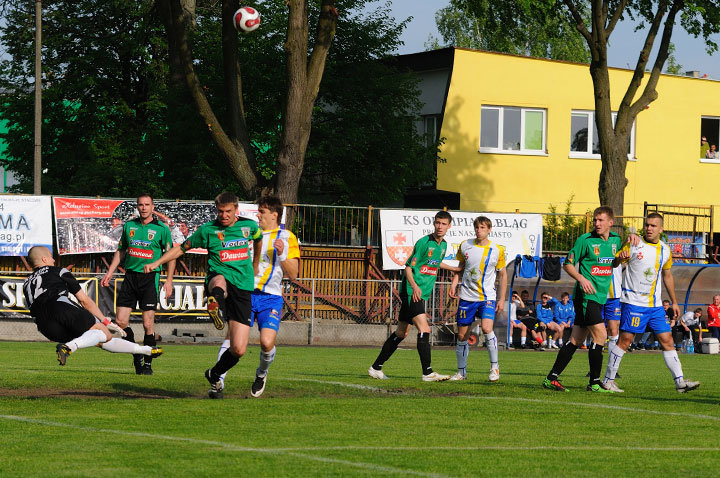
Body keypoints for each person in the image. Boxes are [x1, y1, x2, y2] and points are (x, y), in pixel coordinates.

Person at [144, 191, 262, 399]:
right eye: (220, 211)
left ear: (236, 210)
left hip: (244, 287)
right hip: (219, 277)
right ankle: (215, 303)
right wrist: (156, 263)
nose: (223, 215)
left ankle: (214, 374)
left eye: (228, 212)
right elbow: (182, 249)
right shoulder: (208, 230)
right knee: (219, 282)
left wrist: (255, 264)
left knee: (239, 348)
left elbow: (258, 239)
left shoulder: (249, 226)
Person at [602, 213, 700, 393]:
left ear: (661, 229)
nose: (649, 228)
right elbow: (614, 263)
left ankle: (679, 382)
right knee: (625, 340)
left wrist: (675, 302)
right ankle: (608, 381)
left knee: (667, 340)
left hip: (654, 306)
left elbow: (667, 275)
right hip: (633, 302)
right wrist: (620, 258)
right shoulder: (633, 243)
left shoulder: (665, 250)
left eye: (653, 226)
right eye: (647, 225)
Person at [215, 196, 300, 397]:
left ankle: (261, 373)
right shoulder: (248, 233)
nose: (258, 215)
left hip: (270, 298)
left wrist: (281, 254)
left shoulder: (287, 237)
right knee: (232, 337)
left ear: (274, 215)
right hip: (244, 294)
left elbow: (294, 274)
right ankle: (218, 379)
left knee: (266, 342)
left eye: (262, 212)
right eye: (258, 211)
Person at [23, 246, 163, 366]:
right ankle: (68, 347)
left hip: (44, 325)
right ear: (44, 259)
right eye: (51, 257)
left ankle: (144, 350)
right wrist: (104, 320)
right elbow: (84, 300)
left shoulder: (26, 283)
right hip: (59, 306)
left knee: (99, 339)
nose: (53, 260)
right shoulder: (59, 271)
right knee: (103, 333)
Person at [368, 211, 458, 382]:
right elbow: (408, 268)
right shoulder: (424, 243)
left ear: (449, 226)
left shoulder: (444, 246)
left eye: (443, 224)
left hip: (421, 293)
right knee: (425, 329)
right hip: (412, 291)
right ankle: (428, 372)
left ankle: (375, 368)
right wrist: (415, 286)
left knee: (402, 332)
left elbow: (435, 263)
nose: (440, 226)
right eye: (437, 223)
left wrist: (453, 269)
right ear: (434, 223)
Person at [543, 206, 623, 393]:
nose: (597, 223)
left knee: (576, 340)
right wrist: (582, 278)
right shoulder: (585, 240)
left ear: (610, 222)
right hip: (586, 296)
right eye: (595, 220)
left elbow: (614, 262)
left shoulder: (615, 241)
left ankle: (551, 378)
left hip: (601, 296)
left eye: (601, 220)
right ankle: (594, 382)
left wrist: (621, 258)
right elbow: (567, 264)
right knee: (601, 336)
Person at [100, 194, 175, 375]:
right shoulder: (129, 226)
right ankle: (136, 354)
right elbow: (121, 251)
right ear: (137, 207)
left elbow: (171, 255)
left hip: (150, 279)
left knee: (148, 324)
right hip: (130, 277)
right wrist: (110, 272)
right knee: (121, 321)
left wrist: (169, 280)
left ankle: (148, 365)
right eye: (140, 205)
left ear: (152, 206)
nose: (143, 208)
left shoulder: (161, 229)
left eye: (147, 204)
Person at [448, 216, 507, 382]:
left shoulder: (497, 250)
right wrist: (454, 284)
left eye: (482, 227)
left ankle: (494, 367)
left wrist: (501, 299)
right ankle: (461, 373)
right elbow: (460, 268)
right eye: (477, 227)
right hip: (467, 296)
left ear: (489, 230)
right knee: (462, 336)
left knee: (487, 328)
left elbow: (503, 275)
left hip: (487, 296)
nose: (479, 230)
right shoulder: (465, 245)